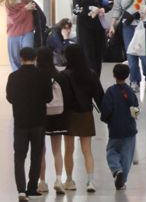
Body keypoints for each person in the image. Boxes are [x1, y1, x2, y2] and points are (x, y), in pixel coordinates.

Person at [6, 47, 52, 199]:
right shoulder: (43, 76)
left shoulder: (13, 76)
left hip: (20, 121)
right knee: (36, 155)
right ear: (35, 58)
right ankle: (32, 188)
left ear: (21, 58)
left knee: (19, 156)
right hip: (38, 121)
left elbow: (10, 98)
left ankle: (21, 190)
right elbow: (49, 98)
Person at [62, 44, 104, 193]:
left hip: (68, 116)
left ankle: (69, 180)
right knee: (87, 150)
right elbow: (99, 95)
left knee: (69, 150)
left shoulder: (64, 75)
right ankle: (90, 181)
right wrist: (107, 113)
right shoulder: (91, 74)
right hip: (86, 114)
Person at [100, 63, 139, 191]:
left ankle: (116, 170)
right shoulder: (130, 91)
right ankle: (122, 182)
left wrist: (106, 120)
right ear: (127, 76)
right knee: (126, 156)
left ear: (114, 75)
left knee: (111, 151)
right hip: (130, 129)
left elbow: (106, 110)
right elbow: (136, 109)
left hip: (115, 129)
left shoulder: (110, 92)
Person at [71, 0, 114, 76]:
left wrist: (104, 9)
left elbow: (109, 2)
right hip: (85, 28)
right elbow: (75, 9)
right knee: (88, 55)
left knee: (98, 55)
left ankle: (96, 80)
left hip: (98, 26)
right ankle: (90, 80)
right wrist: (90, 9)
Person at [36, 48, 69, 195]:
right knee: (57, 150)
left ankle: (42, 182)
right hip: (57, 115)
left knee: (40, 151)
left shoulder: (36, 75)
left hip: (40, 115)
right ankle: (58, 179)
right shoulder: (59, 75)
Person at [2, 0, 37, 71]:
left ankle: (28, 76)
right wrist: (25, 9)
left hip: (28, 32)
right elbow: (14, 19)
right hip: (14, 34)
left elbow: (32, 14)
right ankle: (17, 77)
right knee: (15, 61)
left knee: (29, 57)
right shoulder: (8, 3)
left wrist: (33, 8)